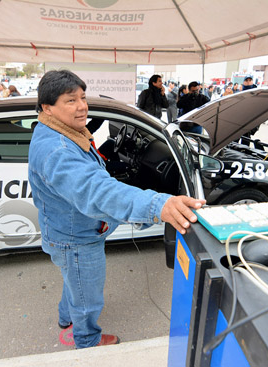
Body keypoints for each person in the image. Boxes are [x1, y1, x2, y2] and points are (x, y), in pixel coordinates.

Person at [28, 70, 205, 349]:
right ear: (47, 107)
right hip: (77, 240)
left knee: (73, 282)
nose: (82, 106)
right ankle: (87, 340)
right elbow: (98, 191)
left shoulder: (56, 130)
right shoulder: (58, 150)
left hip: (67, 231)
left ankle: (66, 319)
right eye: (70, 100)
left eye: (83, 98)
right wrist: (160, 203)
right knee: (87, 295)